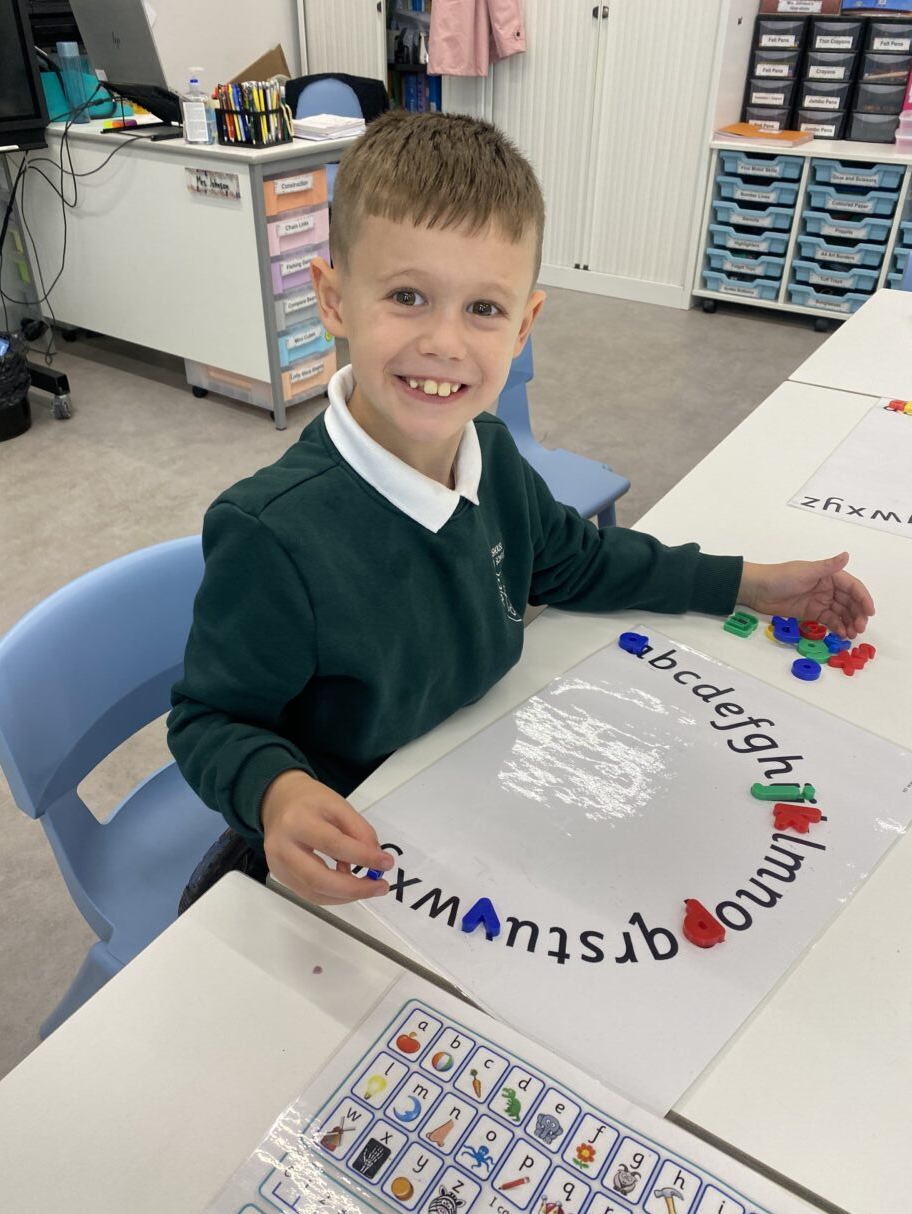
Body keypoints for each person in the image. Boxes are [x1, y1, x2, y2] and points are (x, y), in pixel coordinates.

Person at [167, 111, 874, 909]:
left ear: (524, 324)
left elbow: (582, 563)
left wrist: (746, 583)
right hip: (345, 833)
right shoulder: (271, 535)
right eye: (407, 296)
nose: (444, 342)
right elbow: (209, 720)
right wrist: (273, 793)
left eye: (483, 308)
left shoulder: (493, 453)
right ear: (334, 301)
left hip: (475, 777)